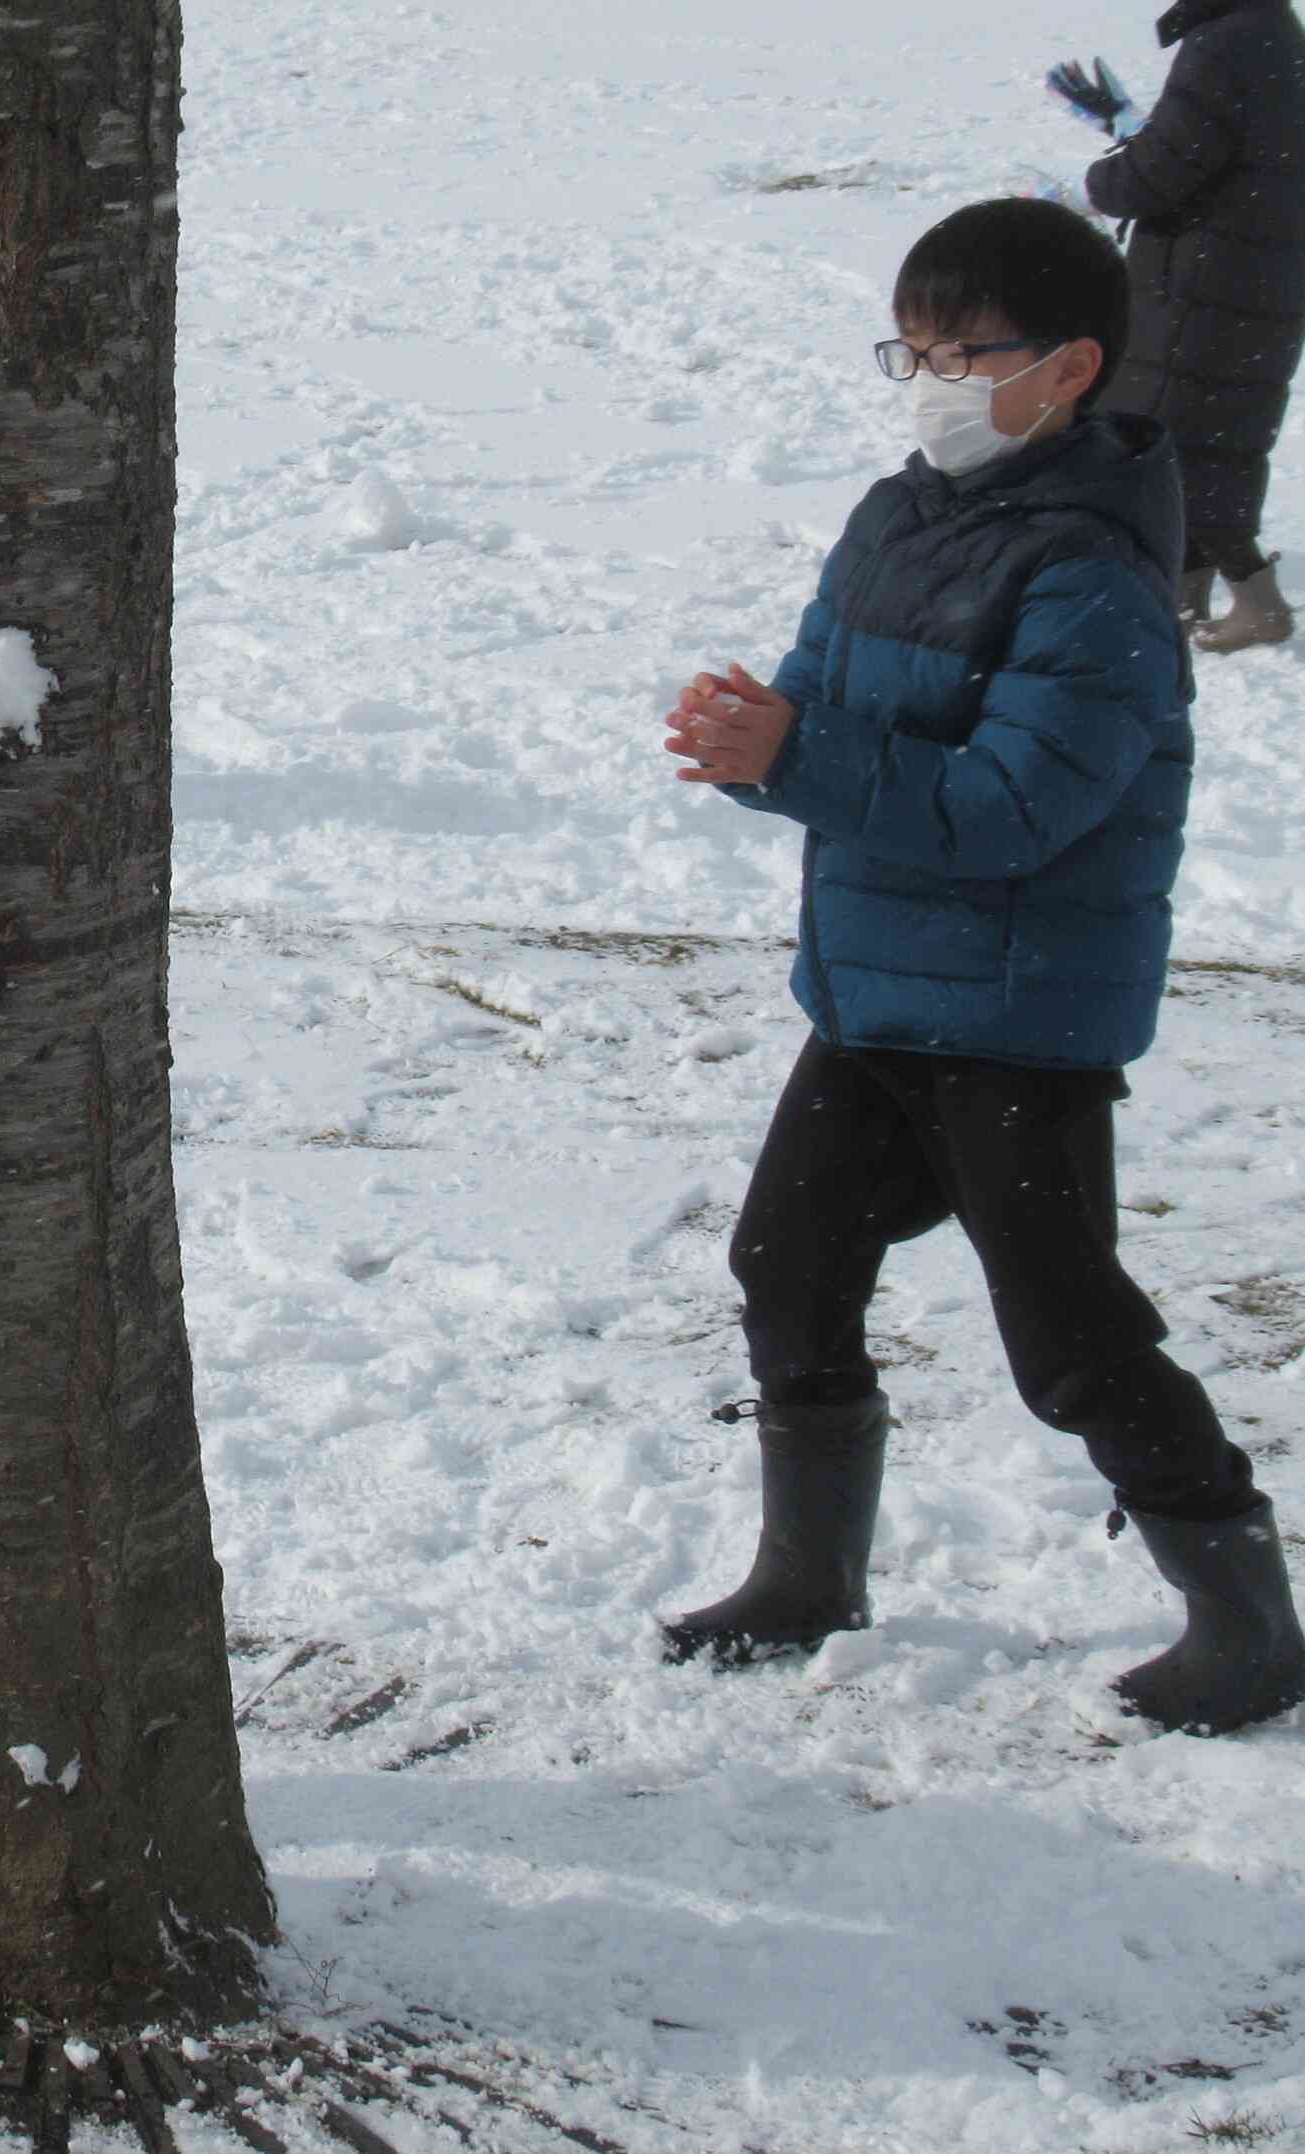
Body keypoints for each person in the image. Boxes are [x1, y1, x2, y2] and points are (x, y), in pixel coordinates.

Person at [657, 199, 1303, 1737]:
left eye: (965, 355)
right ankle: (806, 1574)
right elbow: (816, 700)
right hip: (873, 988)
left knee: (1066, 1339)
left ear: (1069, 366)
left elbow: (1017, 808)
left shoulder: (1090, 578)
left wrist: (799, 752)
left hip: (1015, 1013)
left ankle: (1244, 1616)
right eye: (913, 351)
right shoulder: (895, 516)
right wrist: (753, 743)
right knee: (784, 1266)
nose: (930, 381)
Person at [1049, 0, 1305, 652]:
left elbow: (1154, 175)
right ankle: (1182, 599)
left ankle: (1256, 603)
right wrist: (1130, 127)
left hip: (1201, 288)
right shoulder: (1276, 34)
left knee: (1170, 442)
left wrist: (1106, 172)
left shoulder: (1221, 45)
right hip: (1255, 283)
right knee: (1205, 442)